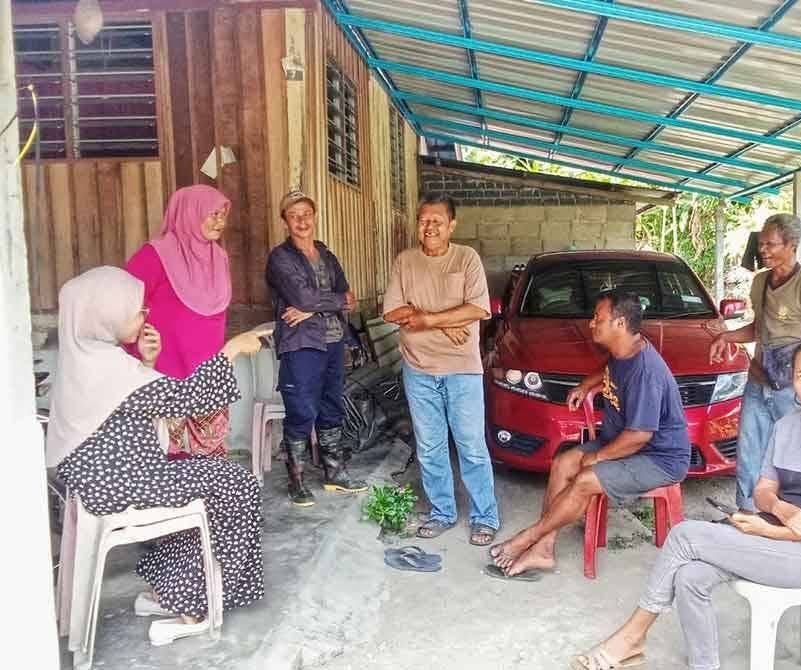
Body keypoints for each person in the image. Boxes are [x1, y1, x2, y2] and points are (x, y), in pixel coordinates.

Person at [571, 338, 801, 670]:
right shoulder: (786, 426)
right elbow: (764, 491)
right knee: (690, 576)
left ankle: (631, 638)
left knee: (683, 536)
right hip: (775, 530)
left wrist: (774, 531)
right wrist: (784, 511)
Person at [47, 267, 266, 646]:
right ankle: (192, 604)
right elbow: (186, 400)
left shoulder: (87, 356)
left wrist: (147, 363)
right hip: (124, 483)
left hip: (110, 479)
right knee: (238, 485)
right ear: (106, 313)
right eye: (136, 310)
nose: (144, 317)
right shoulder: (108, 364)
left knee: (212, 478)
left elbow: (133, 403)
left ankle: (165, 592)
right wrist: (231, 349)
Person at [490, 290, 691, 579]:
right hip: (622, 443)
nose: (591, 323)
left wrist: (597, 457)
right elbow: (610, 368)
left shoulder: (646, 372)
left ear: (620, 324)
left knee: (584, 478)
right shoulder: (625, 350)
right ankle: (544, 549)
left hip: (658, 458)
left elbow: (639, 436)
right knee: (563, 463)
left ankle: (527, 538)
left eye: (598, 318)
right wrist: (586, 385)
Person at [382, 194, 499, 546]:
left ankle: (485, 517)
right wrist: (447, 321)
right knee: (430, 447)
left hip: (462, 369)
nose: (429, 226)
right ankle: (442, 512)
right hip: (418, 369)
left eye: (437, 220)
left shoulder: (466, 258)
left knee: (471, 445)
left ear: (451, 225)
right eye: (423, 220)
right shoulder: (406, 261)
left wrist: (429, 318)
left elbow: (478, 309)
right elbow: (391, 312)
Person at [709, 213, 801, 512]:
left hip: (790, 389)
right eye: (761, 243)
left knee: (791, 454)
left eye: (770, 244)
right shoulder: (761, 281)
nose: (762, 250)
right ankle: (746, 514)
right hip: (758, 380)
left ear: (791, 245)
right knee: (749, 450)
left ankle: (788, 515)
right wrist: (725, 338)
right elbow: (757, 329)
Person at [265, 190, 365, 507]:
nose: (302, 220)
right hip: (301, 344)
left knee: (331, 406)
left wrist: (313, 306)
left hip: (334, 340)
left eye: (307, 213)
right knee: (301, 409)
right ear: (285, 221)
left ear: (315, 216)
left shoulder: (324, 253)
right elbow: (314, 299)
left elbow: (350, 298)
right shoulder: (280, 258)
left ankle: (334, 472)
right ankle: (296, 479)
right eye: (294, 215)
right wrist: (321, 304)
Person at [125, 184, 233, 459]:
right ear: (188, 213)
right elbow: (125, 305)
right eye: (212, 214)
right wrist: (137, 356)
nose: (220, 221)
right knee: (165, 452)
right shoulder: (154, 255)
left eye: (223, 214)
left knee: (212, 452)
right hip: (165, 371)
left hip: (209, 374)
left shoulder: (219, 257)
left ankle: (209, 501)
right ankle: (178, 502)